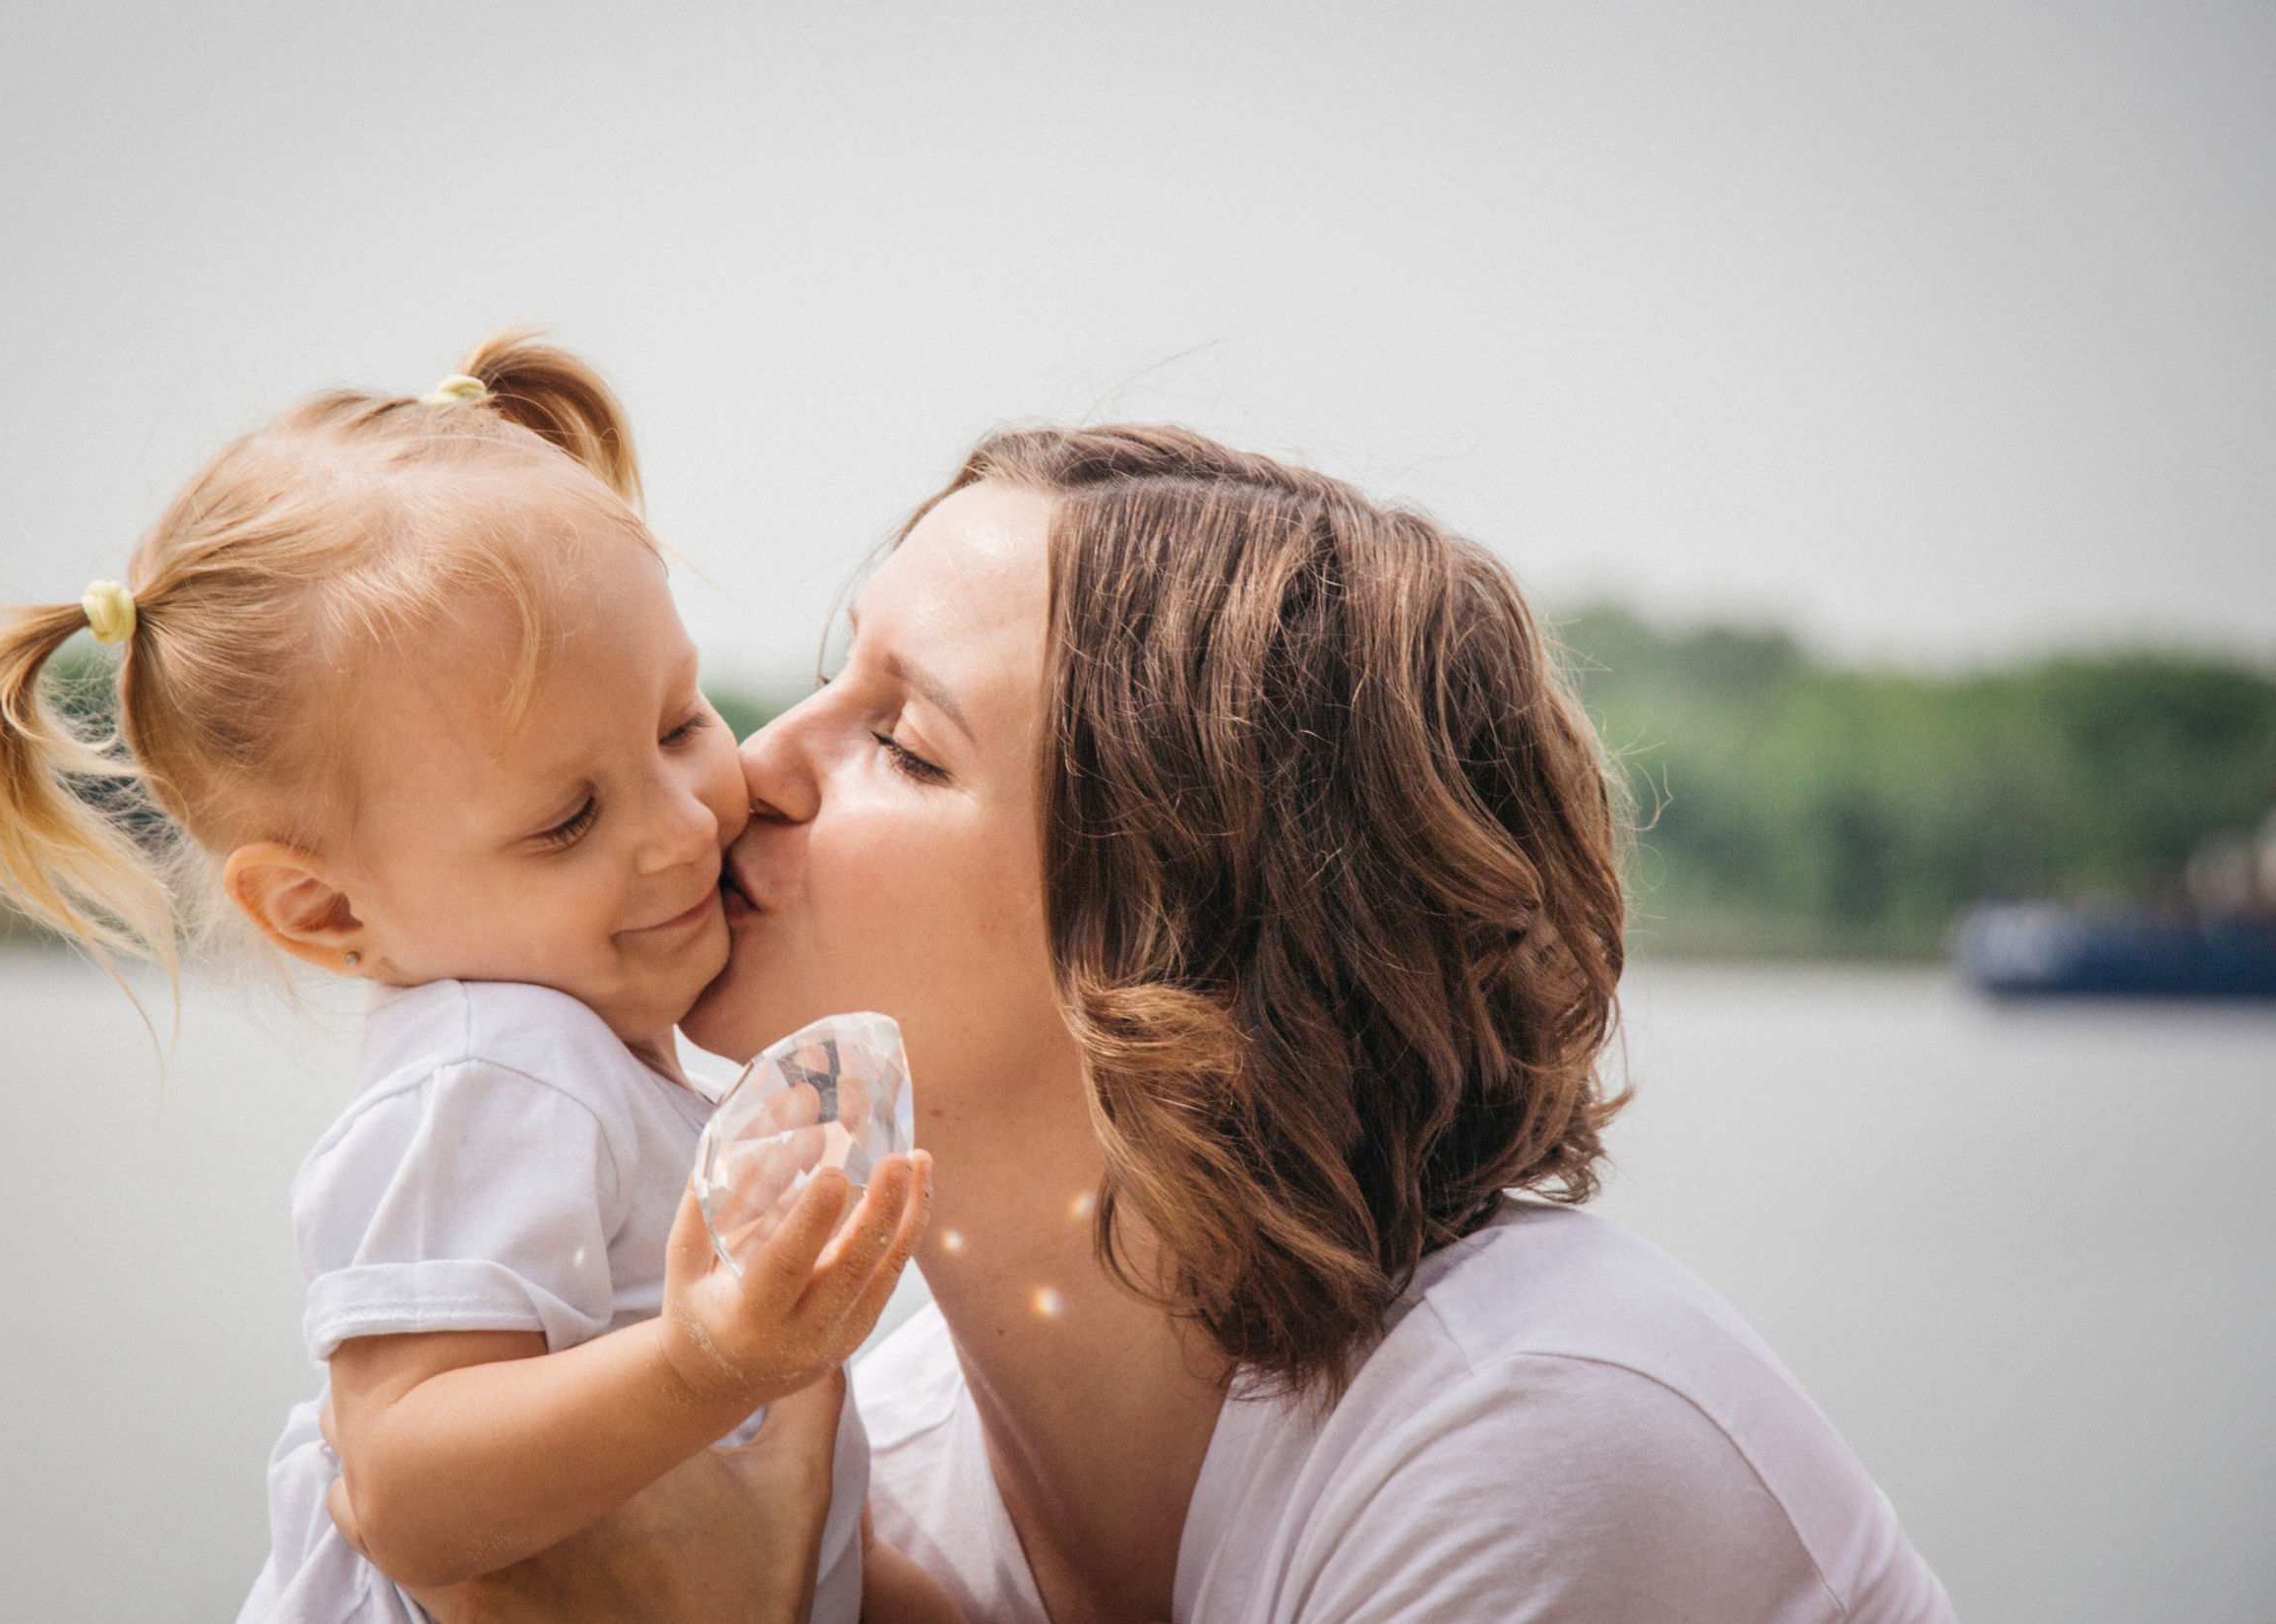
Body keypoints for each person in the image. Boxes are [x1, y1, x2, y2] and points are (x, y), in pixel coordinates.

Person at [417, 422, 1958, 1621]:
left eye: (902, 738)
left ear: (1174, 942)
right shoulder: (877, 1457)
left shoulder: (1537, 1440)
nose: (750, 767)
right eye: (829, 679)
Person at [0, 335, 937, 1624]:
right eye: (568, 818)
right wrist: (700, 1366)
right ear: (326, 906)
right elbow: (403, 1487)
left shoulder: (583, 1060)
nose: (683, 825)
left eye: (681, 723)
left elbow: (783, 1541)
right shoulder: (499, 1067)